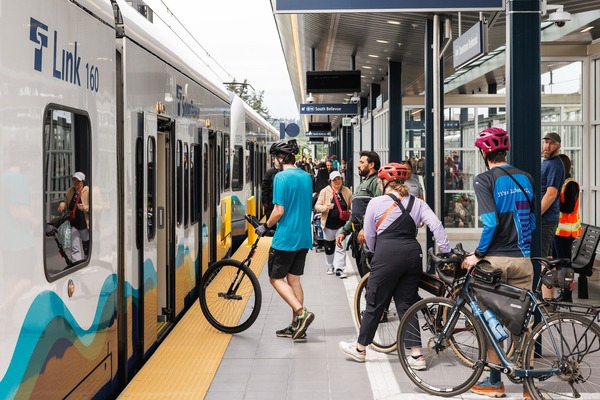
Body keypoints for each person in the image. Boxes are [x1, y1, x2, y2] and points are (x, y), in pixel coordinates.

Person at [338, 162, 451, 364]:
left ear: (383, 182)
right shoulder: (418, 203)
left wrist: (376, 252)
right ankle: (416, 355)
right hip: (413, 254)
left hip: (387, 252)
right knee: (407, 302)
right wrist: (446, 251)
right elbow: (436, 225)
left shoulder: (376, 202)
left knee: (375, 301)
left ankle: (360, 348)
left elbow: (370, 234)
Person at [461, 128, 536, 399]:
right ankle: (529, 388)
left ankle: (495, 383)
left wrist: (477, 254)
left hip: (495, 262)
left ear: (484, 152)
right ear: (506, 150)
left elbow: (491, 223)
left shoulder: (485, 179)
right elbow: (533, 221)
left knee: (489, 318)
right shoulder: (526, 178)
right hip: (523, 259)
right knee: (524, 322)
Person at [255, 139, 315, 340]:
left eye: (275, 157)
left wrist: (265, 226)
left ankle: (301, 312)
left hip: (286, 237)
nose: (274, 161)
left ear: (281, 158)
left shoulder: (281, 178)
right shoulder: (306, 176)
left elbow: (279, 211)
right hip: (304, 236)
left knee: (275, 278)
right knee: (294, 279)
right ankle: (296, 326)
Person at [335, 151, 382, 277]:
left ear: (371, 165)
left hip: (369, 238)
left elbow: (379, 210)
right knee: (364, 277)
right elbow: (355, 213)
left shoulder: (377, 182)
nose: (358, 165)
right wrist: (344, 232)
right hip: (359, 238)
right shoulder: (363, 183)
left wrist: (367, 228)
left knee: (370, 278)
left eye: (362, 162)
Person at [553, 153, 581, 302]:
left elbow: (569, 207)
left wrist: (554, 200)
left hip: (566, 232)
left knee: (565, 263)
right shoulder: (563, 183)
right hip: (559, 232)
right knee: (560, 263)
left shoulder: (570, 184)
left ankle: (567, 294)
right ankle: (563, 292)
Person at [540, 131, 565, 300]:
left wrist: (534, 215)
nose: (547, 146)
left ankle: (547, 303)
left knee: (544, 261)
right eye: (546, 142)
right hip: (546, 219)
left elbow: (550, 194)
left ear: (558, 146)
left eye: (552, 143)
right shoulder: (546, 163)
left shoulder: (555, 165)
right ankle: (548, 301)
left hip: (545, 220)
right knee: (546, 259)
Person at [314, 170, 352, 278]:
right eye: (334, 179)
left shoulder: (347, 191)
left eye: (339, 179)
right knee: (329, 246)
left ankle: (339, 268)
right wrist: (326, 207)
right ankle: (330, 266)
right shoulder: (325, 191)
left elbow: (351, 205)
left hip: (341, 225)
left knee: (340, 246)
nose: (337, 181)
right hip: (328, 224)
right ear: (330, 181)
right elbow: (317, 206)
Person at [57, 172, 90, 262]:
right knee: (74, 247)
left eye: (78, 181)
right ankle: (77, 265)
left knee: (87, 246)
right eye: (74, 179)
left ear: (82, 181)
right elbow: (66, 203)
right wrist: (62, 204)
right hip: (73, 223)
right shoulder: (70, 191)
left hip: (84, 224)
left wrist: (85, 207)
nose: (75, 182)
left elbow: (96, 206)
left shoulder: (88, 191)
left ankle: (88, 263)